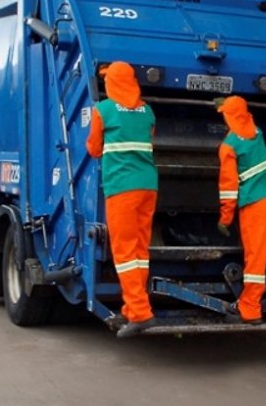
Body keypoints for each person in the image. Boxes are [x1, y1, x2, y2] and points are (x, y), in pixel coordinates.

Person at [86, 61, 158, 338]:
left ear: (112, 83)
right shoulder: (148, 111)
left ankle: (140, 314)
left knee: (125, 253)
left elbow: (93, 148)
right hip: (148, 186)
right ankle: (131, 307)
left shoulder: (102, 110)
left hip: (122, 188)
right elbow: (149, 140)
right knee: (139, 251)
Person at [215, 96, 266, 324]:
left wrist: (225, 219)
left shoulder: (229, 146)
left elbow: (228, 188)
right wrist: (229, 105)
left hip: (256, 205)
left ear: (228, 118)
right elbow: (242, 115)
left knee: (255, 258)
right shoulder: (256, 132)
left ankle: (250, 310)